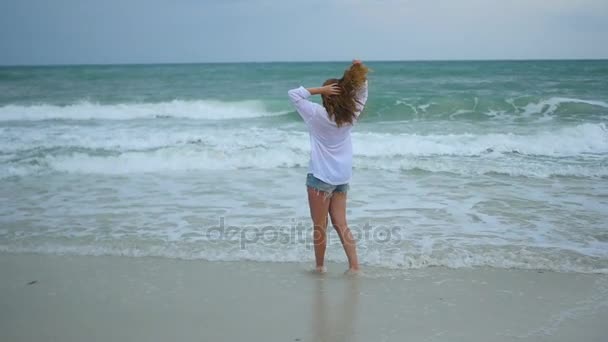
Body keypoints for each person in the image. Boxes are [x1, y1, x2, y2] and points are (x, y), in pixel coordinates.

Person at [288, 60, 369, 273]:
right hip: (342, 177)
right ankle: (354, 266)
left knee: (320, 226)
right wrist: (357, 70)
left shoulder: (316, 114)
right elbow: (362, 92)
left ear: (325, 96)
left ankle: (320, 267)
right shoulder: (351, 115)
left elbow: (294, 94)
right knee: (341, 223)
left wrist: (319, 89)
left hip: (320, 178)